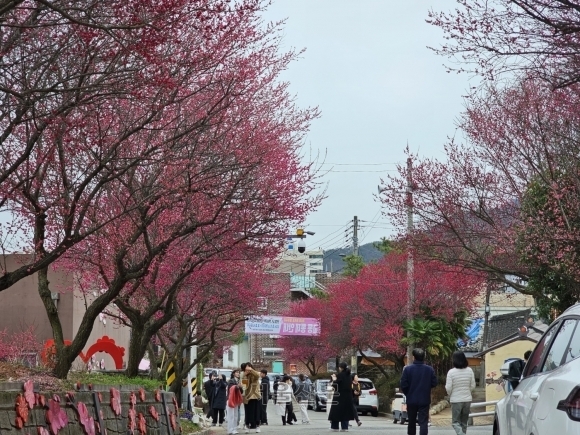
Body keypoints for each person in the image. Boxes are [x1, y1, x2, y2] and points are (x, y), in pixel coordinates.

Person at [400, 348, 437, 435]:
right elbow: (434, 383)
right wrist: (427, 388)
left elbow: (403, 385)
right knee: (423, 422)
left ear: (413, 357)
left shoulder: (408, 369)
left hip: (411, 399)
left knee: (411, 421)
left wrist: (408, 393)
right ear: (424, 357)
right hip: (424, 399)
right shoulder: (429, 370)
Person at [445, 351, 476, 435]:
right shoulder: (470, 370)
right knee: (464, 422)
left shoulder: (451, 372)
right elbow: (473, 385)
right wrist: (468, 392)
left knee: (455, 422)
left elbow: (448, 388)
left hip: (456, 400)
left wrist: (450, 394)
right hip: (467, 399)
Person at [328, 362, 355, 432]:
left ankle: (335, 427)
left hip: (339, 396)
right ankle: (344, 427)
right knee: (345, 412)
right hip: (348, 396)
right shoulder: (349, 375)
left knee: (336, 411)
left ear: (340, 367)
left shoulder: (340, 375)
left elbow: (335, 385)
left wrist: (334, 379)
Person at [241, 362, 261, 433]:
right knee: (248, 412)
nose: (248, 369)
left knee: (257, 412)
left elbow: (257, 376)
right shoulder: (244, 375)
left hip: (255, 396)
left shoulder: (254, 374)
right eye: (246, 368)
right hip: (248, 397)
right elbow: (244, 386)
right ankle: (247, 425)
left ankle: (257, 426)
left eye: (249, 367)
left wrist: (251, 370)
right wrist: (244, 376)